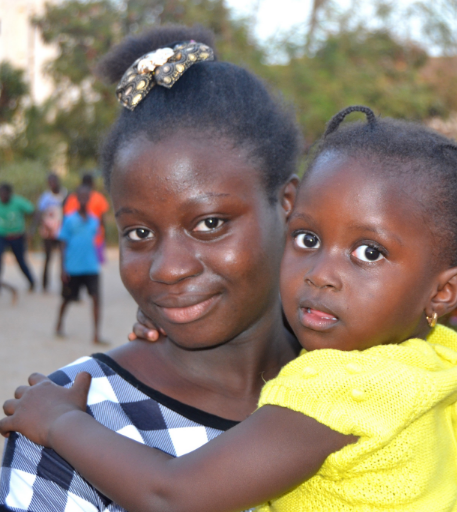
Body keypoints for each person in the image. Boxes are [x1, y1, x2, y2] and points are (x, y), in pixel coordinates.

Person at [0, 103, 457, 511]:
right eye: (308, 238)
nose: (321, 273)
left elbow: (172, 495)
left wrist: (62, 422)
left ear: (444, 292)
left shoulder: (333, 387)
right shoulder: (435, 360)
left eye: (369, 253)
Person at [0, 24, 302, 512]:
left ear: (287, 203)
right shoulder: (73, 418)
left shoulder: (361, 379)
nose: (168, 268)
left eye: (208, 223)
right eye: (139, 233)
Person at [56, 185, 104, 344]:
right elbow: (62, 245)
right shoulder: (69, 219)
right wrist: (62, 268)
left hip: (91, 267)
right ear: (77, 199)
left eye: (86, 197)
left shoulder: (94, 221)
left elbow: (94, 242)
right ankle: (59, 325)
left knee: (96, 299)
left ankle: (96, 334)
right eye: (81, 197)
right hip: (73, 268)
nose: (84, 200)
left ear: (89, 199)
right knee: (67, 299)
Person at [64, 173, 110, 264]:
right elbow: (102, 220)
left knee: (77, 263)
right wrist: (104, 236)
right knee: (94, 265)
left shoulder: (73, 198)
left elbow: (67, 219)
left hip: (76, 239)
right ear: (92, 183)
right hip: (96, 238)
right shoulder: (99, 198)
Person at [34, 172, 67, 292]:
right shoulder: (46, 197)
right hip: (48, 231)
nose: (52, 184)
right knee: (48, 258)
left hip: (62, 231)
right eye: (50, 183)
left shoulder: (65, 194)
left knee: (64, 259)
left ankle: (65, 286)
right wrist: (34, 228)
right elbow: (39, 213)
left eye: (54, 182)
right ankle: (44, 285)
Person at [0, 183, 36, 292]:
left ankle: (31, 281)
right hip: (2, 236)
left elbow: (34, 212)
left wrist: (32, 229)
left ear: (10, 194)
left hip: (17, 236)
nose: (3, 196)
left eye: (5, 194)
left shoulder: (18, 202)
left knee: (21, 261)